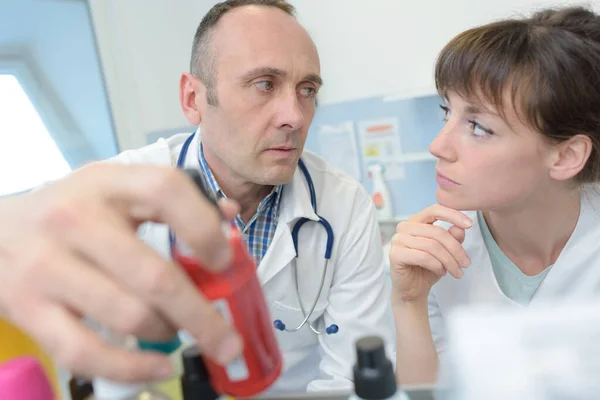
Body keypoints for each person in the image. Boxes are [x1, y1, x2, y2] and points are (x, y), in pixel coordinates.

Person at [0, 0, 394, 394]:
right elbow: (33, 232)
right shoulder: (121, 192)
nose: (295, 115)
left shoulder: (344, 205)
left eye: (307, 89)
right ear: (193, 98)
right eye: (264, 84)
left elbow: (356, 377)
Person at [390, 6, 600, 385]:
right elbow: (420, 394)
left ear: (566, 155)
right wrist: (409, 303)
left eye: (478, 127)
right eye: (446, 112)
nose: (438, 146)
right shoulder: (431, 251)